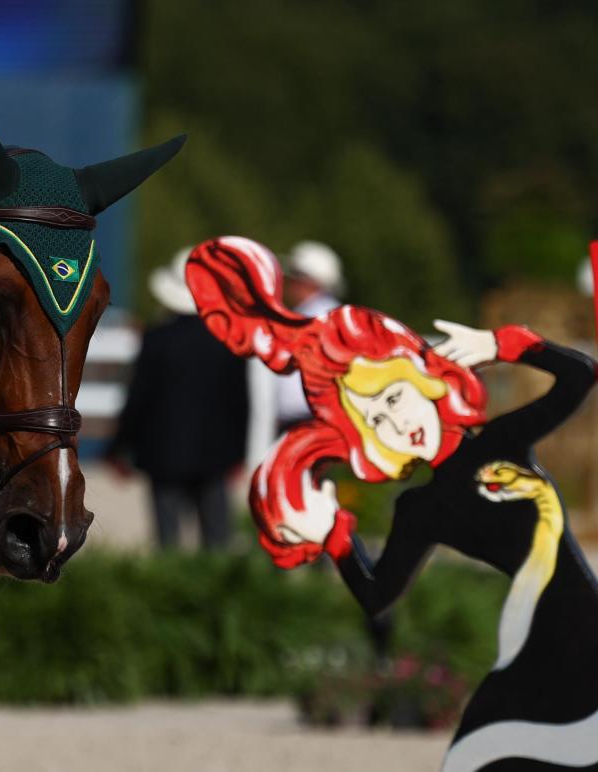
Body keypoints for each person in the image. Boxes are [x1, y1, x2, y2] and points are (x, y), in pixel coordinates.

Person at [190, 236, 598, 768]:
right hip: (528, 648)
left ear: (423, 380)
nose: (395, 422)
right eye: (374, 420)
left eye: (392, 398)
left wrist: (502, 344)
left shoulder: (502, 441)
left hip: (581, 629)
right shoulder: (420, 509)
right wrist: (334, 535)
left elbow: (581, 376)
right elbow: (378, 596)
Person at [109, 248, 249, 550]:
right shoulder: (227, 340)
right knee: (217, 541)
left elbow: (138, 399)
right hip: (215, 455)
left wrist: (118, 447)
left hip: (163, 455)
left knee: (168, 542)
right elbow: (240, 404)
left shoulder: (157, 338)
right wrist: (238, 453)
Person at [248, 239, 345, 446]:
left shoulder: (315, 318)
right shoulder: (328, 315)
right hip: (314, 417)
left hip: (308, 419)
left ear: (306, 281)